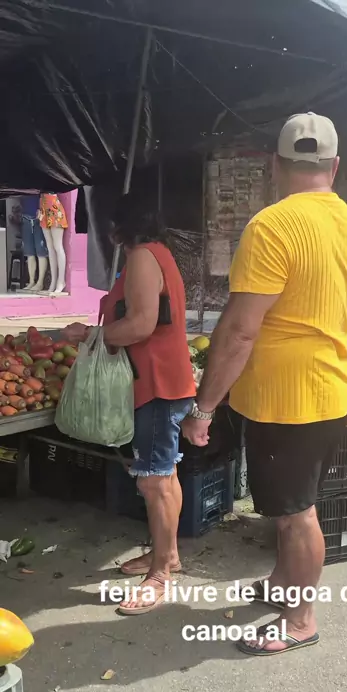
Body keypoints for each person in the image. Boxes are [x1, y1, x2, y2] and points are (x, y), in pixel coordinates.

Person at [182, 113, 347, 656]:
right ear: (334, 166)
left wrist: (204, 407)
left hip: (286, 400)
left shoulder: (272, 226)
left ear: (275, 165)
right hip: (330, 389)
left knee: (296, 514)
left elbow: (240, 330)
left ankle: (300, 620)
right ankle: (282, 585)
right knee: (298, 503)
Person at [64, 192, 196, 614]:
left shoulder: (142, 257)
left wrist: (90, 335)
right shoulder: (158, 254)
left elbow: (141, 324)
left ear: (118, 226)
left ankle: (159, 576)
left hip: (155, 384)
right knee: (165, 474)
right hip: (166, 381)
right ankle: (168, 555)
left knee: (154, 481)